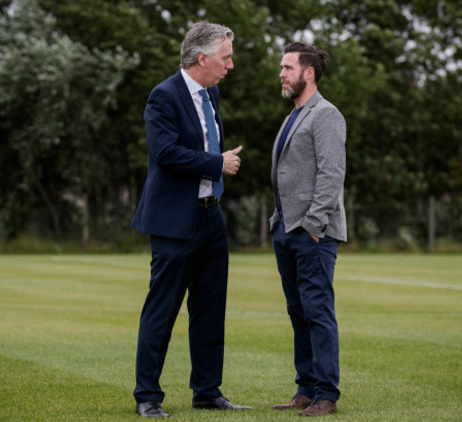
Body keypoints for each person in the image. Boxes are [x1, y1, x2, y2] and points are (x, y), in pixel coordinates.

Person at [130, 21, 250, 418]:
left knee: (211, 308)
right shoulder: (162, 96)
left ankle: (207, 392)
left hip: (211, 217)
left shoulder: (211, 93)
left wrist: (214, 168)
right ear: (203, 58)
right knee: (161, 310)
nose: (230, 66)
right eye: (226, 58)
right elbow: (165, 153)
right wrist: (217, 162)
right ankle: (147, 396)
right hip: (174, 223)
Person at [270, 42, 347, 417]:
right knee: (298, 312)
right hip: (286, 230)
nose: (281, 74)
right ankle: (305, 389)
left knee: (317, 312)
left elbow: (331, 175)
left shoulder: (326, 115)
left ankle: (326, 396)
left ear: (309, 72)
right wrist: (278, 223)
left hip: (313, 232)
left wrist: (314, 226)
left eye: (287, 67)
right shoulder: (294, 115)